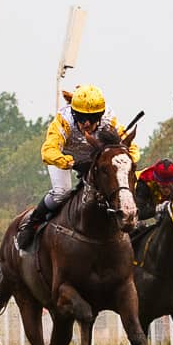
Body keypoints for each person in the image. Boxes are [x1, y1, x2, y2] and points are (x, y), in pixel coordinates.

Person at [17, 83, 137, 251]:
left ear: (100, 115)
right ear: (74, 113)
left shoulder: (109, 119)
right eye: (80, 117)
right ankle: (33, 222)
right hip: (63, 157)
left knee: (119, 184)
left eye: (92, 118)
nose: (86, 123)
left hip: (95, 159)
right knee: (62, 192)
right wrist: (70, 162)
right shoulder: (63, 121)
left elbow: (132, 150)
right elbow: (48, 151)